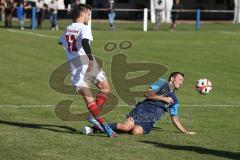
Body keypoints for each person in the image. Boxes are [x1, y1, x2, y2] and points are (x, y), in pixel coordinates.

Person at [58, 4, 117, 138]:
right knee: (104, 90)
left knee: (98, 93)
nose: (89, 17)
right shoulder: (84, 28)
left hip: (75, 67)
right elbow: (85, 42)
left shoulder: (67, 28)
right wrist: (90, 59)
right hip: (87, 63)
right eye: (88, 14)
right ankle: (102, 124)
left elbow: (61, 42)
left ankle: (96, 119)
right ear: (81, 14)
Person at [104, 72, 196, 135]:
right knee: (125, 127)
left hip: (150, 120)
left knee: (136, 132)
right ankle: (98, 126)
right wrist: (162, 98)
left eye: (182, 81)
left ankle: (123, 127)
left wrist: (185, 131)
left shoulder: (174, 100)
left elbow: (174, 118)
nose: (181, 82)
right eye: (180, 79)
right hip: (142, 110)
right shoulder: (162, 83)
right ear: (172, 78)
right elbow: (147, 93)